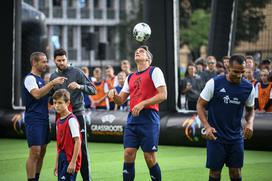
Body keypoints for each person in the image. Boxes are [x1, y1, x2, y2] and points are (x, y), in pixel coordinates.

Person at [108, 45, 167, 181]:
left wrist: (143, 103)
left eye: (142, 52)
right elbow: (121, 100)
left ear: (148, 59)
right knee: (128, 153)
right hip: (132, 119)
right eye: (137, 51)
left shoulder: (155, 71)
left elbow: (163, 95)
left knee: (149, 157)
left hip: (149, 118)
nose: (138, 52)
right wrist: (113, 95)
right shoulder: (130, 77)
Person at [196, 54, 255, 181]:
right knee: (215, 173)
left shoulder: (248, 87)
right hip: (216, 136)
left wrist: (249, 123)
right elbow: (200, 105)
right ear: (228, 67)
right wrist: (207, 126)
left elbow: (250, 110)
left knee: (235, 173)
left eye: (242, 72)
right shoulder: (214, 83)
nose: (239, 75)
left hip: (236, 137)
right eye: (236, 71)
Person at [49, 48, 96, 181]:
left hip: (77, 114)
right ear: (55, 61)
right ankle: (64, 174)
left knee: (82, 148)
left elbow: (93, 90)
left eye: (64, 60)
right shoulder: (53, 77)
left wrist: (80, 86)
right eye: (59, 60)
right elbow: (50, 97)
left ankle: (87, 179)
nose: (62, 62)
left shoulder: (77, 72)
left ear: (67, 59)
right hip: (61, 117)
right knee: (62, 146)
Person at [23, 52, 66, 181]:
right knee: (35, 152)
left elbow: (48, 98)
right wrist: (52, 83)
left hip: (44, 119)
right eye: (43, 61)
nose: (46, 64)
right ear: (34, 63)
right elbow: (36, 94)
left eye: (46, 61)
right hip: (34, 119)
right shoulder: (30, 79)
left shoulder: (42, 80)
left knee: (42, 151)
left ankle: (36, 178)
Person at [53, 89, 82, 181]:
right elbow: (59, 146)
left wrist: (73, 162)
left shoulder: (71, 120)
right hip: (62, 157)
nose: (57, 105)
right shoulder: (58, 122)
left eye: (60, 102)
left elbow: (78, 141)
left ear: (67, 103)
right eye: (55, 103)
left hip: (70, 159)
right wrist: (57, 163)